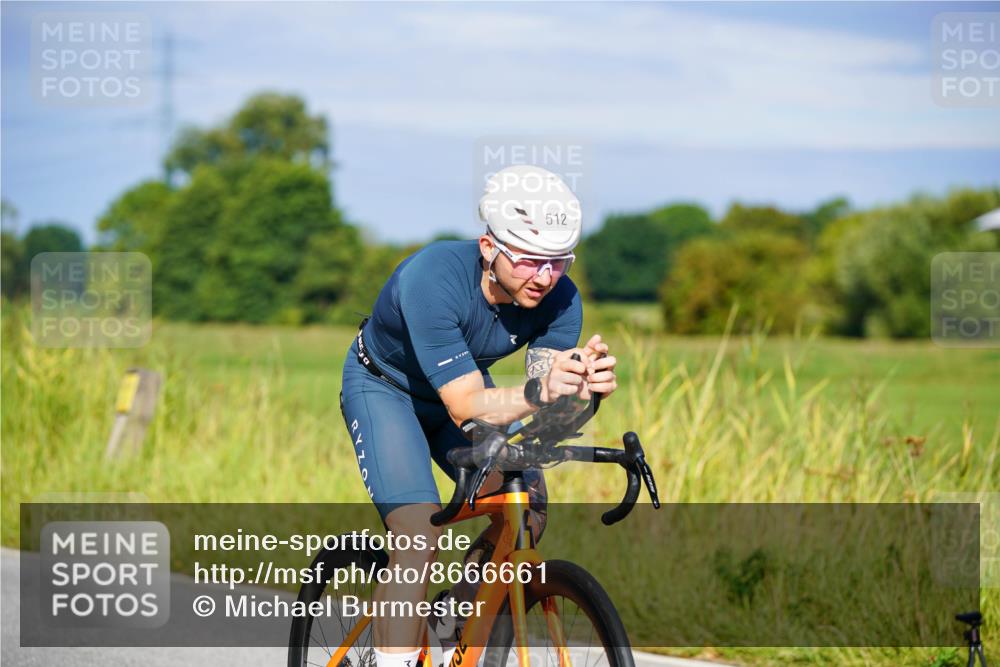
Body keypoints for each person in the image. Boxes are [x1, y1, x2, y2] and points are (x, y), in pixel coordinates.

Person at [339, 165, 618, 667]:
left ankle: (453, 619)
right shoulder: (433, 279)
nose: (544, 277)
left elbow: (545, 407)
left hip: (461, 388)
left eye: (558, 261)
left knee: (527, 504)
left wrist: (581, 391)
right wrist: (543, 391)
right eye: (529, 259)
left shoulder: (561, 299)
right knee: (418, 532)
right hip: (387, 390)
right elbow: (466, 404)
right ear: (489, 247)